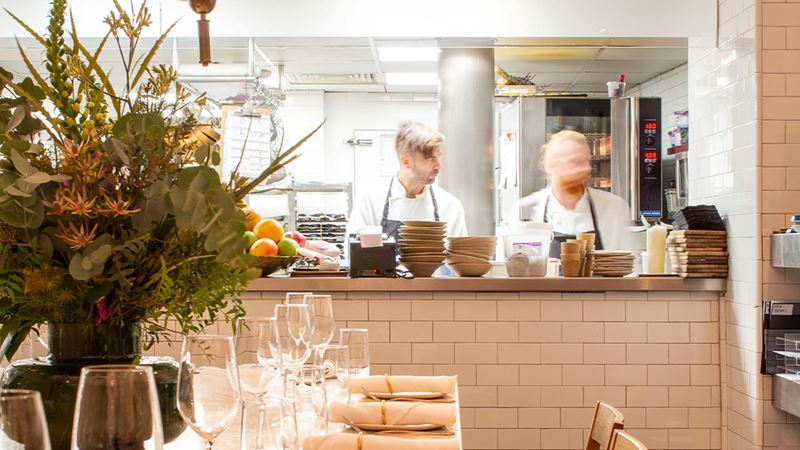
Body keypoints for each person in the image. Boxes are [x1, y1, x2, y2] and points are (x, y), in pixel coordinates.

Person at [519, 130, 634, 256]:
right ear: (550, 165)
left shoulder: (614, 207)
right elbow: (514, 268)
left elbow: (630, 268)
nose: (586, 168)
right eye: (575, 162)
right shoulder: (526, 210)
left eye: (587, 161)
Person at [347, 121, 468, 241]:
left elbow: (461, 258)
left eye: (438, 157)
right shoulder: (369, 202)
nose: (438, 166)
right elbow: (353, 253)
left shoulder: (450, 206)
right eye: (431, 158)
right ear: (406, 162)